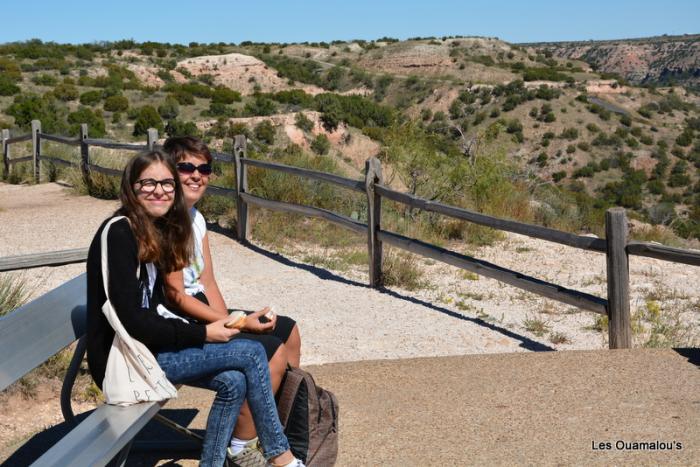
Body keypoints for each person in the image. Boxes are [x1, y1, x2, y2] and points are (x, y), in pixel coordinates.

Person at [85, 150, 303, 467]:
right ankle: (280, 456)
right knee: (252, 353)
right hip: (125, 362)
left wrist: (222, 326)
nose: (159, 190)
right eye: (148, 183)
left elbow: (161, 306)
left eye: (166, 184)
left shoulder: (151, 230)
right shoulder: (118, 233)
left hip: (148, 350)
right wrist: (202, 333)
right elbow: (131, 320)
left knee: (233, 380)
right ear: (131, 188)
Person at [162, 137, 303, 459]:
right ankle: (243, 447)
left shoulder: (195, 218)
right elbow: (176, 297)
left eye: (204, 168)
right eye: (186, 167)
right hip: (183, 316)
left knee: (288, 331)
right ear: (169, 172)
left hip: (201, 307)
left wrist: (234, 323)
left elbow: (207, 280)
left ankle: (275, 428)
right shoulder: (169, 223)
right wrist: (229, 326)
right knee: (271, 353)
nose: (197, 175)